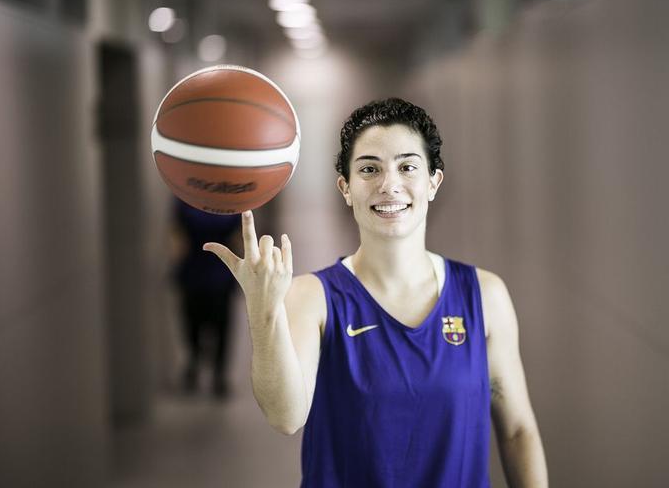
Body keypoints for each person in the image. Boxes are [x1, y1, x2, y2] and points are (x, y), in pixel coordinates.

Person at [204, 98, 548, 486]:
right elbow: (286, 417)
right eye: (369, 169)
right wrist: (264, 308)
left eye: (407, 167)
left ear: (433, 182)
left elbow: (518, 430)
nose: (389, 185)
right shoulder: (313, 297)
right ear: (346, 187)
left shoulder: (484, 296)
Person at [170, 197, 241, 398]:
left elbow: (177, 235)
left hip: (202, 270)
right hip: (211, 271)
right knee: (213, 325)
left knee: (197, 323)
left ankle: (202, 368)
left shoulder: (184, 198)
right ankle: (214, 373)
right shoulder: (231, 202)